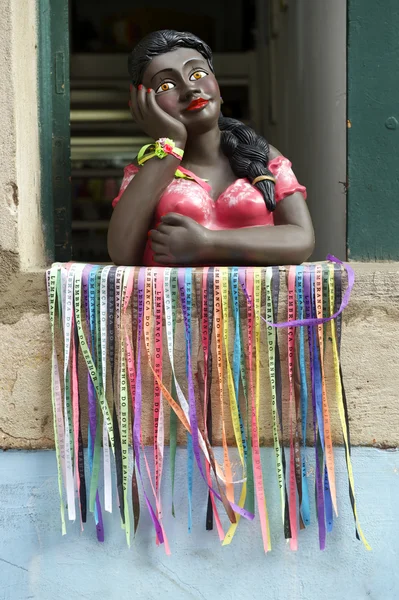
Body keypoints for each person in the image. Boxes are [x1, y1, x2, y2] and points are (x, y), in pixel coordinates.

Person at [108, 30, 314, 267]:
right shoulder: (147, 169)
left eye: (197, 74)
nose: (189, 89)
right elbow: (122, 253)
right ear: (143, 104)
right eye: (166, 85)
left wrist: (206, 243)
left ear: (217, 84)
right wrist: (172, 145)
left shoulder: (263, 155)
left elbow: (302, 239)